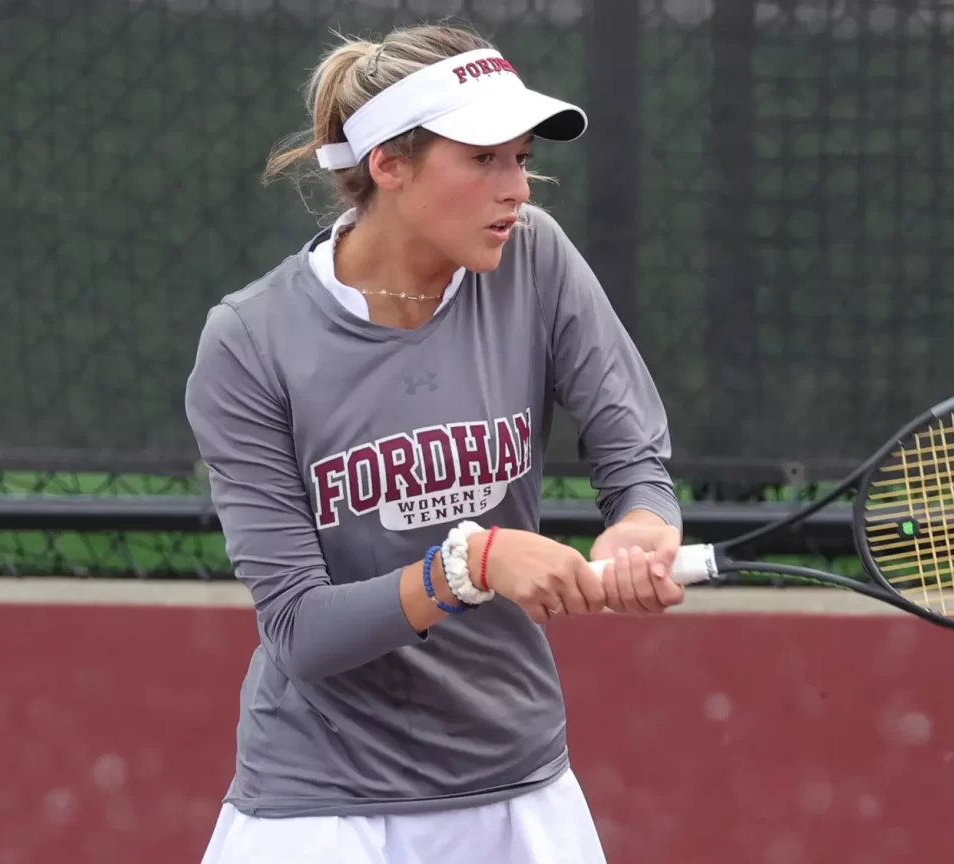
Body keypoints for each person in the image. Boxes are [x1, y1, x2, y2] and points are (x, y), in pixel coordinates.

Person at [186, 22, 685, 864]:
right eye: (485, 159)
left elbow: (633, 458)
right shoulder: (248, 341)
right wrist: (472, 564)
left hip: (516, 781)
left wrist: (642, 523)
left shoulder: (536, 260)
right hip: (321, 797)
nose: (517, 189)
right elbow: (301, 631)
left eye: (521, 159)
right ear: (389, 165)